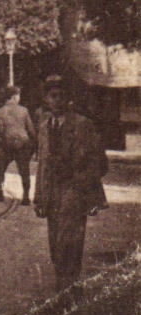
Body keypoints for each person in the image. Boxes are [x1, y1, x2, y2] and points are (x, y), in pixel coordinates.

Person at [33, 75, 108, 294]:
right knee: (55, 247)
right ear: (46, 99)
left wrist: (82, 184)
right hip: (52, 195)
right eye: (52, 96)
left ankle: (69, 294)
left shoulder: (83, 125)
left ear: (68, 98)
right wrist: (39, 197)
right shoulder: (45, 126)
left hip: (74, 192)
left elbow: (99, 163)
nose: (56, 100)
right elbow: (42, 164)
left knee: (71, 246)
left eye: (61, 96)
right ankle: (63, 290)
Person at [0, 85, 36, 203]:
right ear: (14, 96)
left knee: (0, 168)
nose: (19, 97)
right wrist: (35, 144)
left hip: (6, 145)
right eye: (18, 95)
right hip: (22, 145)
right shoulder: (24, 111)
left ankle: (0, 193)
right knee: (24, 170)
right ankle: (26, 197)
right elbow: (31, 129)